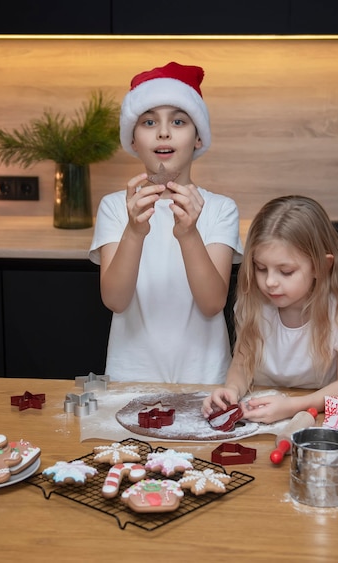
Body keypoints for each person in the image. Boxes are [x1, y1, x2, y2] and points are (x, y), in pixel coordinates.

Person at [89, 61, 243, 384]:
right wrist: (134, 232)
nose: (163, 131)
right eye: (148, 121)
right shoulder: (116, 208)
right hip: (128, 381)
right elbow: (115, 299)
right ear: (133, 140)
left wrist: (188, 234)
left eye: (178, 120)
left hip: (205, 382)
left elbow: (213, 303)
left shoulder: (219, 210)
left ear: (198, 138)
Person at [202, 195, 338, 423]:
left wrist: (292, 406)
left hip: (317, 414)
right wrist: (232, 390)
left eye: (285, 271)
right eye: (261, 268)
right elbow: (243, 362)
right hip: (260, 407)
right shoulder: (253, 298)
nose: (270, 282)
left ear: (320, 267)